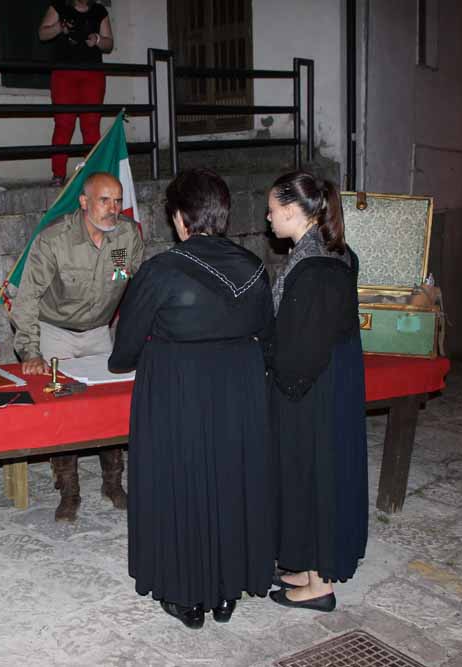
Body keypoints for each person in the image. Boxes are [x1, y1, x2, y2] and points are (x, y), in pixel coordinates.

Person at [108, 168, 277, 629]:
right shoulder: (254, 267)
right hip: (238, 392)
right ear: (222, 214)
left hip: (178, 391)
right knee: (230, 482)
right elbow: (267, 334)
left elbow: (125, 350)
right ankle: (227, 590)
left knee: (179, 485)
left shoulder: (161, 270)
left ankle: (187, 596)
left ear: (181, 218)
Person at [11, 172, 143, 522]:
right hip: (57, 332)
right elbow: (27, 298)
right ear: (84, 202)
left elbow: (133, 286)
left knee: (109, 406)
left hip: (99, 331)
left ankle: (113, 483)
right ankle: (69, 490)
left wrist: (135, 341)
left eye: (118, 201)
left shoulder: (126, 236)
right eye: (104, 200)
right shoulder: (55, 240)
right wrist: (31, 351)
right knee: (65, 407)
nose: (113, 208)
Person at [265, 170, 368, 613]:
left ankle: (320, 584)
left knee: (314, 474)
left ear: (292, 210)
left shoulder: (316, 266)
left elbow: (301, 344)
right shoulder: (329, 252)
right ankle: (307, 567)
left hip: (312, 389)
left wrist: (274, 374)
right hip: (325, 380)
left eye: (272, 210)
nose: (268, 218)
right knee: (306, 475)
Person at [37, 0, 113, 186]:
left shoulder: (99, 10)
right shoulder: (59, 6)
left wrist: (97, 40)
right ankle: (58, 175)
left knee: (91, 124)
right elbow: (42, 34)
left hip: (92, 74)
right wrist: (59, 28)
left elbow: (109, 43)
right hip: (64, 73)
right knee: (64, 123)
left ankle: (94, 176)